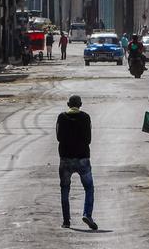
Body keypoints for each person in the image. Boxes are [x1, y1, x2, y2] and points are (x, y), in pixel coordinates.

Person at [56, 95, 97, 230]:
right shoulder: (85, 117)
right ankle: (87, 214)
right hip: (83, 158)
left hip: (65, 159)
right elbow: (89, 139)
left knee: (65, 189)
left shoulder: (61, 117)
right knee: (89, 188)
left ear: (68, 104)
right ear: (80, 104)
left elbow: (58, 137)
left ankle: (66, 221)